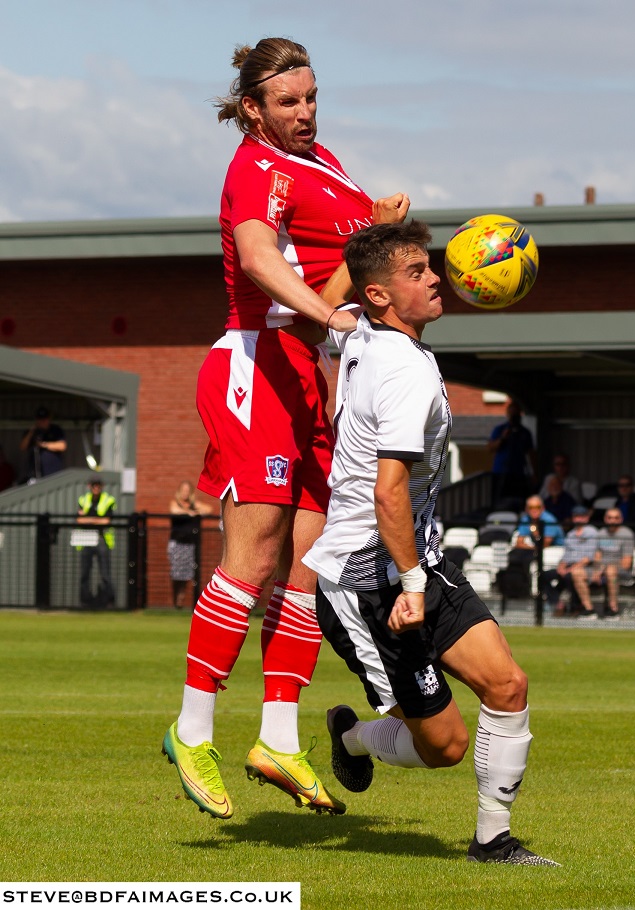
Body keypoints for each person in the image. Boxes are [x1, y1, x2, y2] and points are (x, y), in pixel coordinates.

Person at [162, 36, 411, 820]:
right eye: (287, 103)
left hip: (311, 377)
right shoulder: (255, 169)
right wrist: (329, 310)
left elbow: (334, 269)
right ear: (252, 109)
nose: (304, 113)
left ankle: (276, 738)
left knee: (308, 566)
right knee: (257, 551)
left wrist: (373, 238)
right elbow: (261, 259)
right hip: (256, 362)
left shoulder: (326, 161)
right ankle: (191, 727)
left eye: (310, 98)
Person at [304, 221, 558, 867]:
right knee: (442, 747)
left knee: (507, 685)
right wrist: (411, 586)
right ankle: (353, 736)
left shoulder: (359, 328)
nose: (437, 277)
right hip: (367, 582)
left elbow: (332, 309)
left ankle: (492, 842)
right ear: (381, 295)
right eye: (417, 272)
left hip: (417, 559)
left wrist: (370, 228)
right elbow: (389, 492)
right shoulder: (402, 372)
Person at [540, 505, 598, 618]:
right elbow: (566, 555)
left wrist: (571, 569)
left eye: (581, 516)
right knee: (544, 576)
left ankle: (576, 606)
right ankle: (558, 603)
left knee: (570, 576)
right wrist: (561, 567)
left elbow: (589, 557)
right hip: (569, 566)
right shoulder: (571, 534)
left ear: (586, 518)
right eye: (576, 516)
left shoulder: (592, 532)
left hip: (586, 567)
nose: (579, 519)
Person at [168, 481, 213, 609]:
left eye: (188, 490)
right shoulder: (175, 503)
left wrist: (196, 511)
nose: (185, 493)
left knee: (187, 574)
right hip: (177, 543)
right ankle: (175, 600)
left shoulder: (194, 505)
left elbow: (208, 509)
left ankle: (181, 600)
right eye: (183, 490)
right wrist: (188, 512)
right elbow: (174, 510)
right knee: (176, 573)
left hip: (191, 544)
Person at [486, 399, 536, 507]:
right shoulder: (500, 429)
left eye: (516, 414)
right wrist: (503, 438)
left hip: (518, 473)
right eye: (512, 414)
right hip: (500, 472)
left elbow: (531, 454)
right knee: (498, 502)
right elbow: (490, 448)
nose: (514, 417)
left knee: (518, 502)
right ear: (508, 415)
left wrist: (534, 474)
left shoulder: (525, 432)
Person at [76, 477, 116, 609]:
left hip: (101, 538)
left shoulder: (108, 499)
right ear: (89, 486)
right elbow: (79, 520)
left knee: (105, 572)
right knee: (84, 572)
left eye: (98, 485)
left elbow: (106, 521)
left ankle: (107, 601)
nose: (96, 488)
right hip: (86, 538)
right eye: (94, 485)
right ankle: (85, 601)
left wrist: (88, 519)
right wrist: (96, 519)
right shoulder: (83, 499)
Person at [591, 507, 635, 619]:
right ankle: (588, 609)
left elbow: (626, 563)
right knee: (578, 572)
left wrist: (605, 568)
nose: (612, 521)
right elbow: (597, 556)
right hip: (601, 568)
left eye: (616, 518)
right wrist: (597, 570)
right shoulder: (600, 533)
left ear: (621, 519)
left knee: (611, 571)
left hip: (621, 570)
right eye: (610, 518)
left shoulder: (627, 534)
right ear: (605, 519)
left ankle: (613, 608)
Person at [20, 407, 66, 480]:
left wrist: (43, 444)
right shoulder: (32, 432)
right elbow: (23, 447)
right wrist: (31, 432)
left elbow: (62, 446)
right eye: (40, 419)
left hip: (53, 472)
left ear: (49, 419)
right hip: (35, 473)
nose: (42, 422)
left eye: (44, 419)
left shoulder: (55, 430)